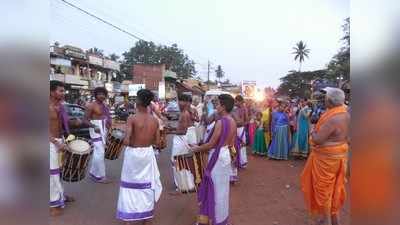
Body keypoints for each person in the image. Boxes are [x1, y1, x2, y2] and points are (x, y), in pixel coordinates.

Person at [301, 88, 350, 225]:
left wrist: (312, 131)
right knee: (335, 188)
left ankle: (327, 221)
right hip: (339, 156)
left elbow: (318, 140)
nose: (324, 100)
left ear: (330, 101)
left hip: (327, 160)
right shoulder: (346, 114)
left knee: (324, 191)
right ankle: (334, 220)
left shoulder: (333, 118)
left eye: (326, 98)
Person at [116, 89, 162, 224]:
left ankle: (128, 220)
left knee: (129, 186)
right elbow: (158, 142)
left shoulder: (132, 118)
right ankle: (147, 219)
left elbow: (126, 140)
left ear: (138, 101)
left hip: (133, 155)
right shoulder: (154, 120)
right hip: (148, 154)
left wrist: (122, 138)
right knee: (146, 186)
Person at [191, 94, 237, 225]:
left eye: (217, 104)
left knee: (213, 188)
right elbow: (232, 144)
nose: (215, 106)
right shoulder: (232, 121)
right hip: (225, 156)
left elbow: (211, 144)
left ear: (223, 107)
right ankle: (221, 219)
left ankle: (211, 219)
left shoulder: (221, 122)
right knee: (222, 189)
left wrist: (196, 149)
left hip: (217, 157)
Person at [49, 80, 86, 216]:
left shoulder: (61, 106)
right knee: (52, 173)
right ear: (51, 92)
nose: (63, 93)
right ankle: (52, 204)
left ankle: (60, 196)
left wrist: (74, 123)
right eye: (60, 91)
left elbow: (63, 123)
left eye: (64, 91)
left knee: (59, 172)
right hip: (50, 143)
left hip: (60, 140)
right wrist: (56, 142)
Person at [167, 94, 196, 192]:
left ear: (185, 102)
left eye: (180, 101)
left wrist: (170, 131)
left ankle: (181, 186)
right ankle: (185, 185)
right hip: (181, 139)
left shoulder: (185, 114)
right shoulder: (185, 113)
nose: (178, 103)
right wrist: (173, 129)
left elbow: (183, 131)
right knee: (180, 162)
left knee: (177, 162)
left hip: (181, 139)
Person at [85, 87, 112, 183]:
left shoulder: (105, 106)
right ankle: (100, 176)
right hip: (95, 130)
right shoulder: (90, 106)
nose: (102, 96)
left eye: (103, 94)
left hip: (103, 129)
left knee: (99, 152)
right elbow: (85, 120)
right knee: (100, 153)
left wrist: (108, 128)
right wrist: (93, 126)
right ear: (95, 95)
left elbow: (107, 118)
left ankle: (93, 173)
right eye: (99, 94)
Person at [232, 95, 248, 169]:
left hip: (241, 129)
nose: (236, 103)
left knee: (242, 146)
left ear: (241, 101)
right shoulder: (234, 109)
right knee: (235, 146)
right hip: (235, 129)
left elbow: (247, 120)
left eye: (237, 101)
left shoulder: (244, 109)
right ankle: (237, 162)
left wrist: (242, 124)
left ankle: (243, 162)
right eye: (235, 101)